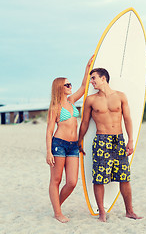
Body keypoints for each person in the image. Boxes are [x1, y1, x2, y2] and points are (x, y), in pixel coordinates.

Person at [78, 68, 143, 222]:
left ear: (103, 78)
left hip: (119, 140)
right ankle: (101, 213)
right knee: (99, 178)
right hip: (101, 141)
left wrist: (131, 140)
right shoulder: (91, 100)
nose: (92, 82)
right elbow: (85, 122)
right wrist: (79, 140)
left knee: (124, 177)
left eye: (94, 78)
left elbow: (127, 119)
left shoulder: (120, 96)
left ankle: (130, 211)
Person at [46, 55, 94, 223]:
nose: (70, 86)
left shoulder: (72, 101)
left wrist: (87, 69)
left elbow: (83, 86)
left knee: (72, 182)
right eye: (67, 84)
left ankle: (56, 206)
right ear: (60, 87)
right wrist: (48, 152)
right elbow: (49, 130)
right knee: (56, 180)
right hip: (58, 144)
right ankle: (58, 213)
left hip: (73, 145)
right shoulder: (55, 107)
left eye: (69, 83)